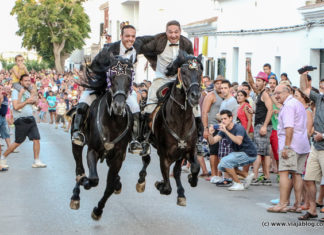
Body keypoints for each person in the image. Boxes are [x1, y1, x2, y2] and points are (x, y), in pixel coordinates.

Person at [72, 25, 141, 154]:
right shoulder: (108, 49)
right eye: (127, 36)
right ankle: (78, 132)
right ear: (121, 37)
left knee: (135, 107)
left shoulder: (134, 51)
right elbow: (94, 66)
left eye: (133, 36)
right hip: (102, 84)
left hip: (122, 89)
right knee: (84, 100)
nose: (130, 39)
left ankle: (135, 140)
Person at [138, 20, 198, 156]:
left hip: (181, 80)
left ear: (180, 32)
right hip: (161, 79)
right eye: (170, 32)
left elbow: (191, 62)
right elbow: (143, 48)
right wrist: (151, 62)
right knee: (150, 105)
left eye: (176, 32)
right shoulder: (158, 41)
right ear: (166, 32)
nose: (173, 35)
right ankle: (144, 139)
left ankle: (198, 140)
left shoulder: (187, 43)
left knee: (195, 108)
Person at [267, 84, 310, 213]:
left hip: (291, 145)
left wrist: (286, 146)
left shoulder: (289, 106)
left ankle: (283, 203)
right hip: (301, 144)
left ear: (287, 92)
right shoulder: (297, 103)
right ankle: (297, 204)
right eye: (275, 93)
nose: (276, 96)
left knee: (284, 173)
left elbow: (289, 127)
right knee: (297, 174)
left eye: (278, 93)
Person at [0, 74, 46, 169]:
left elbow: (34, 104)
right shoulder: (16, 92)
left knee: (36, 139)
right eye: (25, 80)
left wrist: (36, 102)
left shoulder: (28, 92)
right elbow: (16, 107)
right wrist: (27, 101)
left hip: (30, 118)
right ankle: (3, 157)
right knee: (18, 142)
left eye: (29, 80)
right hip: (21, 120)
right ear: (21, 81)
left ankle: (36, 161)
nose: (28, 82)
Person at [208, 110, 256, 191]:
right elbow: (213, 141)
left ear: (231, 118)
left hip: (249, 154)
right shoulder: (223, 130)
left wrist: (226, 131)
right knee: (221, 166)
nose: (223, 121)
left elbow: (238, 141)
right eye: (222, 119)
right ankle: (246, 176)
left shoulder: (238, 128)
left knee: (224, 162)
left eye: (225, 119)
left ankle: (238, 183)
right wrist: (210, 133)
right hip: (239, 153)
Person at [298, 70, 324, 221]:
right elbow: (305, 90)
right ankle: (313, 209)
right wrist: (303, 74)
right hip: (316, 146)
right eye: (321, 87)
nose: (322, 90)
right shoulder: (319, 99)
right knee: (308, 178)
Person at [247, 67, 273, 186]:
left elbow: (270, 110)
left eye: (259, 80)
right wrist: (253, 112)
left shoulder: (265, 94)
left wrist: (264, 125)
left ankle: (256, 176)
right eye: (257, 80)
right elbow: (251, 83)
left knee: (258, 152)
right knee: (265, 152)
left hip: (262, 125)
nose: (256, 83)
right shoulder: (260, 93)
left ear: (264, 82)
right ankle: (266, 176)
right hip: (262, 124)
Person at [202, 77, 223, 183]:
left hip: (224, 127)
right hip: (213, 127)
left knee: (221, 153)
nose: (219, 85)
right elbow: (204, 112)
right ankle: (214, 174)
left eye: (221, 83)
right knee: (214, 152)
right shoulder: (211, 96)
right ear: (214, 85)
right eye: (217, 83)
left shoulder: (226, 95)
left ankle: (220, 174)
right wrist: (205, 128)